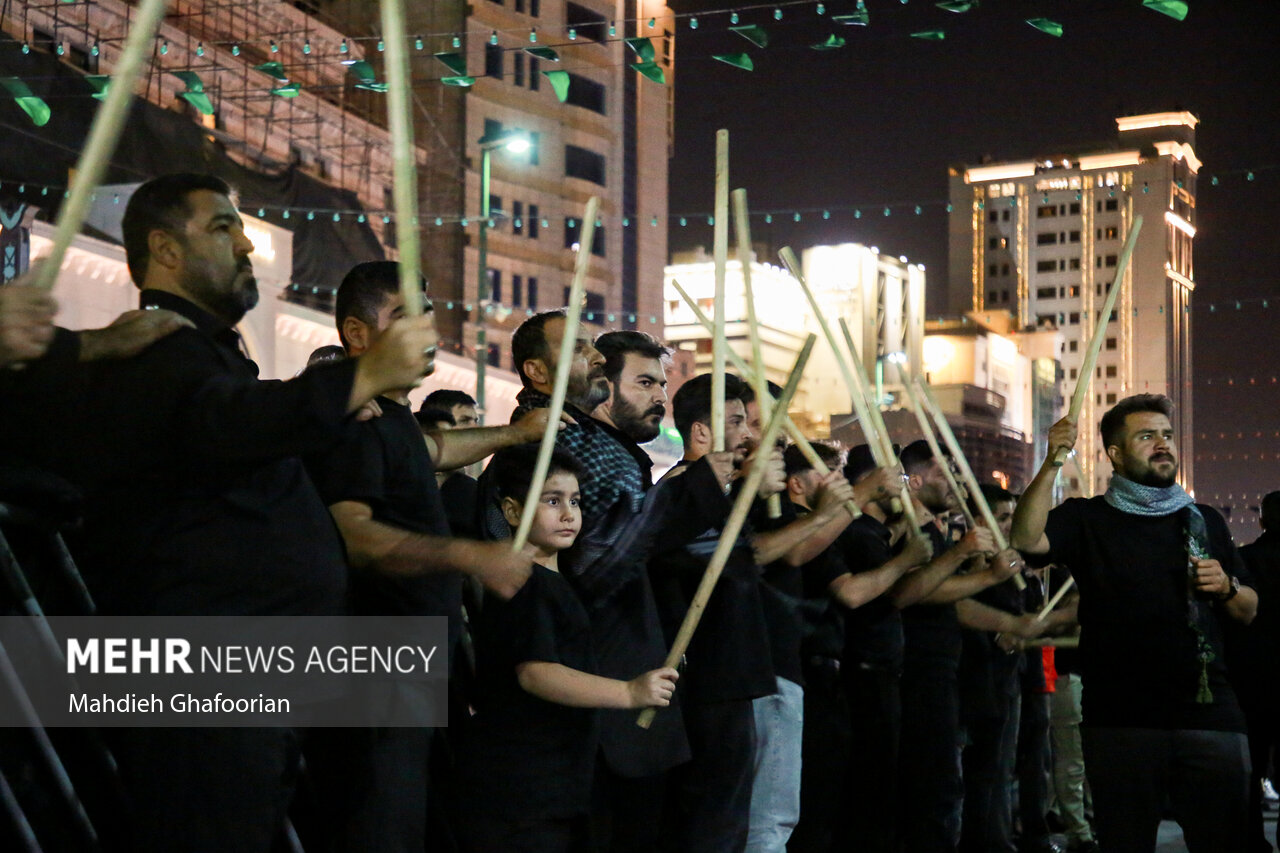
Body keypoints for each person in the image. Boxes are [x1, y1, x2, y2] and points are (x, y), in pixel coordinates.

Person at [25, 173, 437, 852]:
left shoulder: (207, 356)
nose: (247, 241)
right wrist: (358, 377)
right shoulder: (152, 344)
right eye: (221, 227)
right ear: (165, 249)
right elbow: (225, 421)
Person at [302, 260, 546, 852]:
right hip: (376, 663)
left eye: (427, 315)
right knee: (379, 823)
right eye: (403, 317)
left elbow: (433, 450)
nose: (425, 331)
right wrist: (469, 555)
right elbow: (356, 535)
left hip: (411, 661)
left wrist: (513, 435)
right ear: (358, 335)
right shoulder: (353, 422)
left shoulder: (392, 420)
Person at [1011, 394, 1258, 852]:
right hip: (1122, 721)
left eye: (1166, 435)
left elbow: (1248, 608)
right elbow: (1026, 538)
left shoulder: (1203, 519)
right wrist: (1051, 463)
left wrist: (1225, 587)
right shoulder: (1087, 518)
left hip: (1210, 717)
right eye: (1146, 436)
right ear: (1116, 453)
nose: (1162, 444)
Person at [511, 321, 702, 853]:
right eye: (646, 383)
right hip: (596, 705)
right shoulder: (564, 440)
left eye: (663, 385)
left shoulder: (597, 444)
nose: (660, 397)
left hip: (622, 702)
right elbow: (599, 563)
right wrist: (699, 483)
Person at [456, 445, 677, 853]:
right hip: (522, 791)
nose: (568, 513)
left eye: (574, 501)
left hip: (550, 787)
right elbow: (536, 672)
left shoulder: (554, 583)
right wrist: (628, 692)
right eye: (552, 500)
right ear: (513, 511)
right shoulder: (525, 585)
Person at [648, 372, 784, 853]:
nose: (749, 433)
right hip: (703, 680)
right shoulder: (679, 492)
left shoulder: (720, 496)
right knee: (709, 822)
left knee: (730, 818)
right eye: (736, 422)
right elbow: (690, 556)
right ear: (701, 433)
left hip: (730, 678)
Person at [894, 440, 1029, 853]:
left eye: (956, 470)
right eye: (943, 472)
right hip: (919, 673)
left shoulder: (938, 533)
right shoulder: (908, 532)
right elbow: (920, 592)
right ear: (913, 481)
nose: (954, 480)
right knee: (935, 790)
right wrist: (982, 573)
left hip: (948, 674)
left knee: (953, 785)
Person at [1236, 490, 1280, 853]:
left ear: (1262, 520)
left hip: (1252, 680)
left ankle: (1252, 840)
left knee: (1250, 767)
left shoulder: (1244, 559)